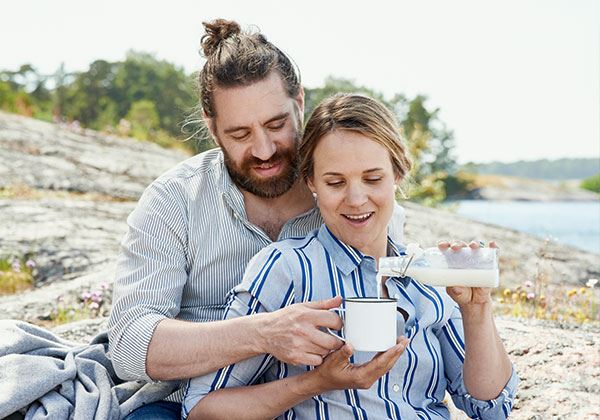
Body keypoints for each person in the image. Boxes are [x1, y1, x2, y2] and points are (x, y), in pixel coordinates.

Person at [107, 19, 407, 418]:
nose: (264, 150)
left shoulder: (354, 205)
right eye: (240, 134)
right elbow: (129, 345)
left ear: (299, 102)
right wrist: (262, 333)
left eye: (276, 124)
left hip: (318, 404)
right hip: (182, 405)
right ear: (212, 128)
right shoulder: (174, 200)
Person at [182, 93, 518, 419]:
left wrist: (476, 308)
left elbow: (490, 407)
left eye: (373, 179)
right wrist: (316, 383)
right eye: (335, 183)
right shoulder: (287, 270)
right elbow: (202, 409)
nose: (356, 199)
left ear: (397, 173)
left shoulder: (429, 275)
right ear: (311, 182)